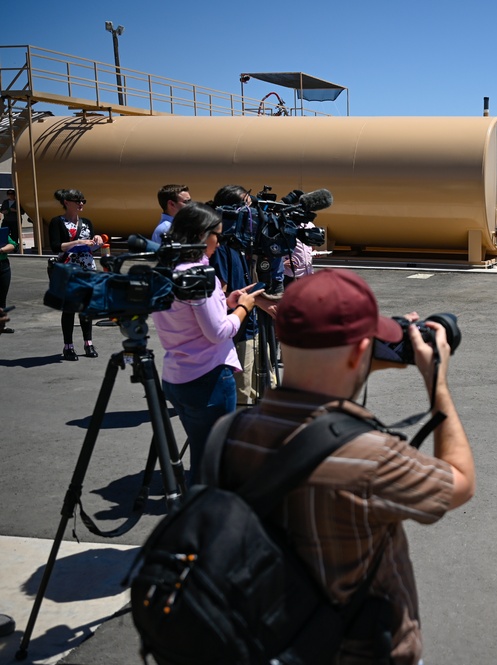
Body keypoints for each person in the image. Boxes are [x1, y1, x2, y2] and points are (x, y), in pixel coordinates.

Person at [214, 268, 475, 663]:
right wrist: (434, 379)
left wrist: (355, 357)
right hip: (360, 651)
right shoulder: (368, 457)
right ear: (361, 353)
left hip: (267, 640)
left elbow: (323, 369)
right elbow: (460, 483)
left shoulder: (229, 433)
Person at [149, 202, 261, 477]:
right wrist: (243, 308)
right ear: (201, 235)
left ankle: (199, 504)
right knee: (213, 456)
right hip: (208, 378)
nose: (219, 242)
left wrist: (225, 303)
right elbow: (218, 332)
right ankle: (205, 510)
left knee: (202, 451)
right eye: (216, 235)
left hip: (177, 377)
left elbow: (187, 319)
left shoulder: (166, 272)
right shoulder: (201, 277)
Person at [210, 185, 263, 405]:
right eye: (246, 206)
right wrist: (241, 307)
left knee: (255, 387)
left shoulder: (239, 242)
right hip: (238, 331)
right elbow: (220, 294)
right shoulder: (221, 247)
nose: (250, 213)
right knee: (242, 392)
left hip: (250, 325)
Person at [49, 189, 103, 360]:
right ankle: (68, 346)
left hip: (87, 267)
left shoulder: (87, 222)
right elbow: (56, 246)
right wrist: (77, 242)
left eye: (83, 201)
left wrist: (97, 240)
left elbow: (92, 246)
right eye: (77, 200)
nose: (81, 204)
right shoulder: (57, 222)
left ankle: (88, 343)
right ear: (66, 202)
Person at [0, 226, 15, 333]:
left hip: (3, 266)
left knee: (2, 296)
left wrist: (1, 249)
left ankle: (2, 325)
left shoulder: (1, 233)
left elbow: (12, 244)